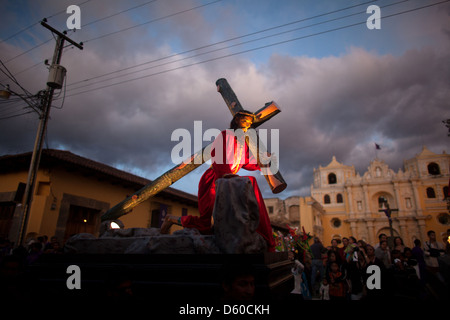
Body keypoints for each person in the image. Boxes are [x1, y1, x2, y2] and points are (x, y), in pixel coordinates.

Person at [161, 111, 276, 251]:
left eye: (250, 123)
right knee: (206, 224)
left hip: (230, 181)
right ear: (237, 121)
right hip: (213, 180)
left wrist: (263, 160)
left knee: (248, 186)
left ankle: (260, 234)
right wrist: (226, 176)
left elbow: (246, 163)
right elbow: (218, 156)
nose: (247, 125)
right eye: (245, 121)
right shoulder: (225, 135)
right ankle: (171, 219)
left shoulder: (243, 144)